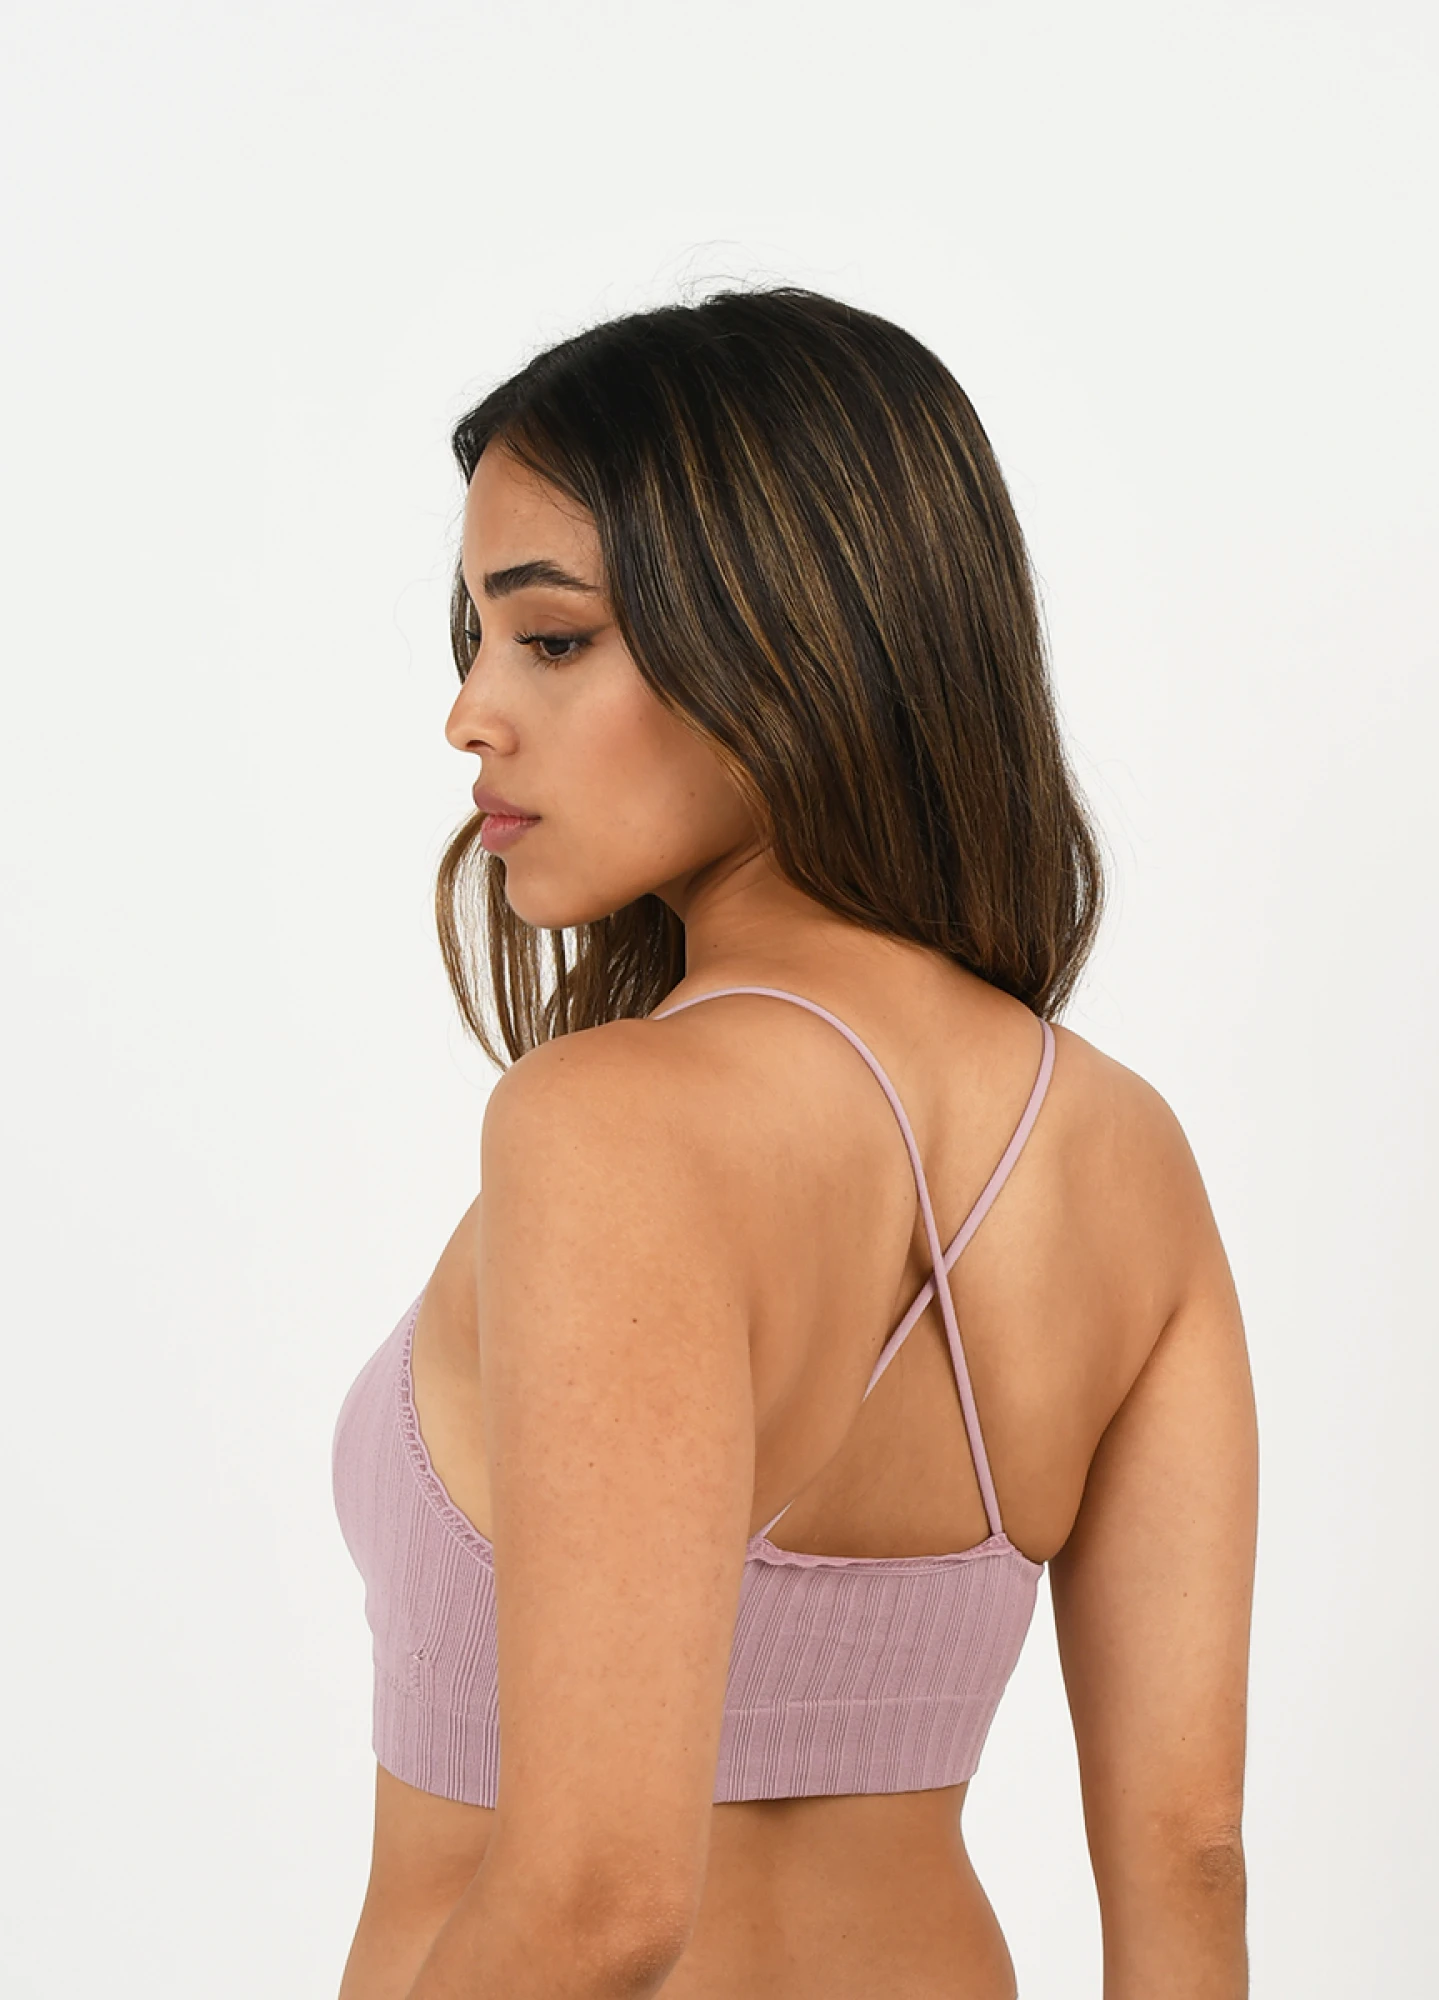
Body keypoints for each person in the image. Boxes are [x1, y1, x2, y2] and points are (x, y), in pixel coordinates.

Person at [331, 286, 1257, 2000]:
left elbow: (601, 1901)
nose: (471, 714)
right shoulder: (1124, 1152)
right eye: (473, 640)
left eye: (551, 640)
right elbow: (1189, 1864)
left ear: (786, 638)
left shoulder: (611, 1125)